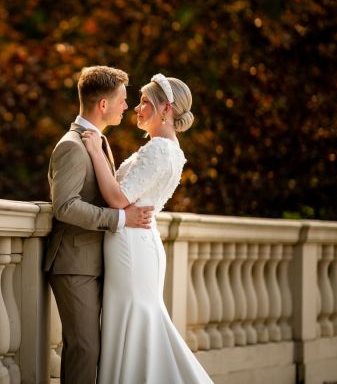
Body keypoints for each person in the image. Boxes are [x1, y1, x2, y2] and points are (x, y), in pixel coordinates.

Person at [81, 73, 213, 383]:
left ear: (166, 110)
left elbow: (117, 198)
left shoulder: (158, 151)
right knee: (139, 320)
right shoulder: (169, 149)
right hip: (140, 243)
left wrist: (97, 152)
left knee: (133, 320)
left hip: (131, 247)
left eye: (145, 103)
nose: (136, 109)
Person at [44, 66, 154, 384]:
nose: (125, 106)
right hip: (74, 263)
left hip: (94, 262)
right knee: (84, 349)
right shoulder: (72, 145)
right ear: (103, 104)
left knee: (96, 350)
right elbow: (64, 206)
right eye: (121, 99)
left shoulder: (96, 141)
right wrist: (120, 219)